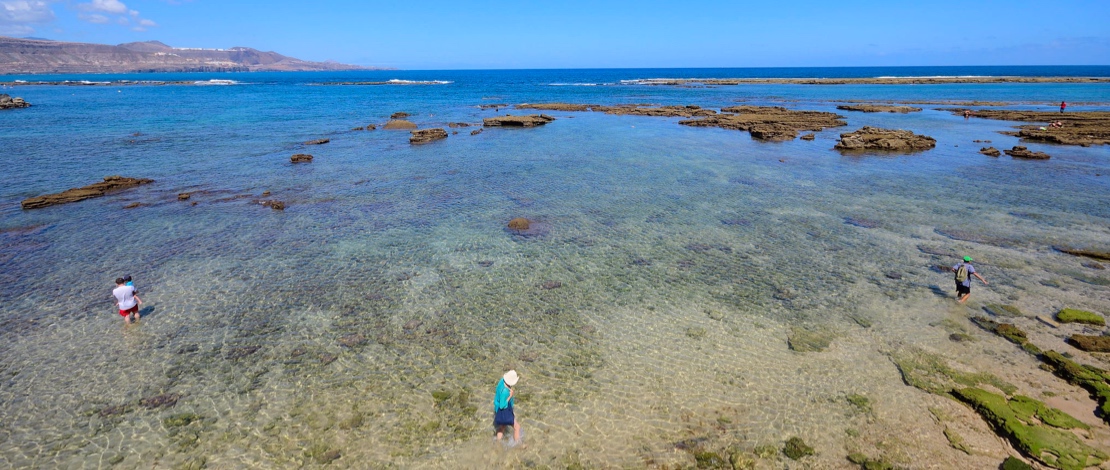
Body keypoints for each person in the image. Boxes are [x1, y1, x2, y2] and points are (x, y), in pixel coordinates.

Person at [493, 370, 522, 447]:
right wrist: (510, 396)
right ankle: (518, 445)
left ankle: (498, 443)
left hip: (498, 410)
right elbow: (502, 405)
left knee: (502, 426)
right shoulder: (505, 391)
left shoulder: (501, 382)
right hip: (504, 410)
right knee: (517, 427)